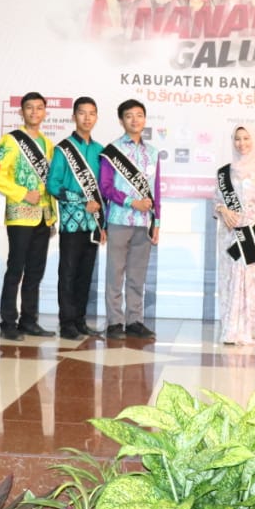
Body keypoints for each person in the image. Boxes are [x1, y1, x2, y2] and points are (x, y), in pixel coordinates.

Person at [0, 92, 57, 341]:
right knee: (16, 268)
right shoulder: (11, 140)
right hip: (19, 215)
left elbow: (49, 184)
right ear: (22, 112)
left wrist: (52, 217)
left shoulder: (48, 145)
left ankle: (30, 320)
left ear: (45, 112)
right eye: (30, 108)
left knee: (36, 270)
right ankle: (8, 322)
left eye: (40, 108)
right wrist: (22, 193)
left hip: (42, 217)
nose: (35, 113)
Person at [46, 97, 107, 340]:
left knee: (85, 273)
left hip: (93, 223)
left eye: (92, 113)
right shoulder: (63, 149)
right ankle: (67, 322)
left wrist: (102, 224)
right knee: (68, 272)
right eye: (82, 113)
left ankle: (80, 320)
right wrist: (81, 200)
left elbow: (101, 191)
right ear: (74, 116)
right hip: (71, 221)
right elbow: (53, 185)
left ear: (96, 117)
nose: (87, 118)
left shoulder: (100, 150)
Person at [99, 99, 161, 340]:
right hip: (118, 218)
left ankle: (134, 320)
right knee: (115, 272)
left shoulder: (153, 153)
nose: (134, 120)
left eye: (139, 115)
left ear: (144, 119)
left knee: (137, 273)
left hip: (144, 222)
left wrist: (157, 222)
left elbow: (156, 191)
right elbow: (105, 187)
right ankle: (115, 322)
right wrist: (130, 201)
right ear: (121, 120)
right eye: (129, 116)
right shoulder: (112, 150)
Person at [213, 126, 255, 346]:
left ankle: (245, 330)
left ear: (253, 140)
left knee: (247, 279)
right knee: (228, 279)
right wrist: (223, 210)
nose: (241, 143)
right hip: (227, 233)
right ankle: (229, 329)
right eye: (237, 139)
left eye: (246, 138)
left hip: (249, 232)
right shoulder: (223, 171)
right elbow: (216, 200)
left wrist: (243, 220)